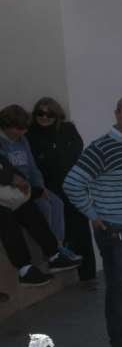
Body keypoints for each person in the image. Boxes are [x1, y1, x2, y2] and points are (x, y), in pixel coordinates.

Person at [64, 93, 122, 347]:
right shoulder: (100, 148)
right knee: (119, 292)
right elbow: (72, 183)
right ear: (117, 114)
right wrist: (93, 213)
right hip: (116, 233)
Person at [27, 97, 96, 286]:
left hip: (71, 186)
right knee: (60, 228)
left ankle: (88, 276)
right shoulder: (30, 135)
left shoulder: (67, 130)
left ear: (57, 115)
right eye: (40, 113)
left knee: (80, 229)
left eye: (49, 114)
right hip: (50, 188)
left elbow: (76, 152)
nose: (44, 117)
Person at [0, 105, 74, 261]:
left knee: (57, 203)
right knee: (44, 207)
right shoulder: (2, 142)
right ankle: (50, 254)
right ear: (7, 126)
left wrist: (40, 186)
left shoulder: (23, 140)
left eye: (24, 129)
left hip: (29, 186)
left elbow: (33, 168)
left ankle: (58, 248)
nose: (22, 132)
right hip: (12, 190)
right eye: (18, 129)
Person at [0, 151, 77, 286]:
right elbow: (9, 174)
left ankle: (54, 255)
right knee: (6, 218)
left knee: (29, 208)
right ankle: (24, 269)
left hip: (5, 195)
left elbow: (10, 167)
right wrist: (11, 178)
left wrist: (20, 179)